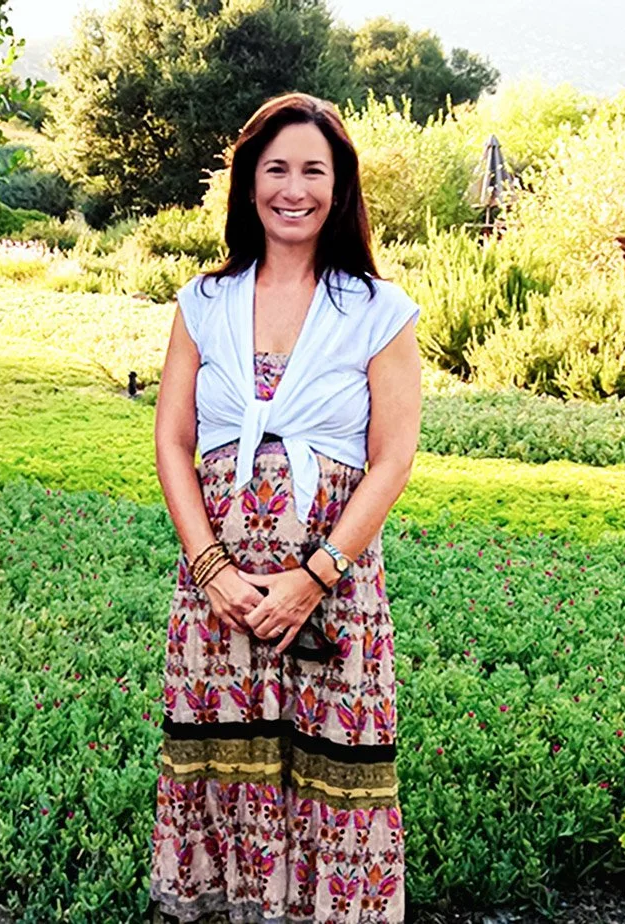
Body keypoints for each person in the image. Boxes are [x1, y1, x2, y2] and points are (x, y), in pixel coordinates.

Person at [149, 91, 422, 924]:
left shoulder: (378, 311)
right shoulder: (204, 302)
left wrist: (315, 576)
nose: (293, 188)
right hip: (217, 601)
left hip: (334, 598)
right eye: (276, 169)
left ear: (339, 188)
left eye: (314, 169)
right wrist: (213, 573)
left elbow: (392, 459)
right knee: (229, 783)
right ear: (248, 183)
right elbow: (172, 443)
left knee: (328, 781)